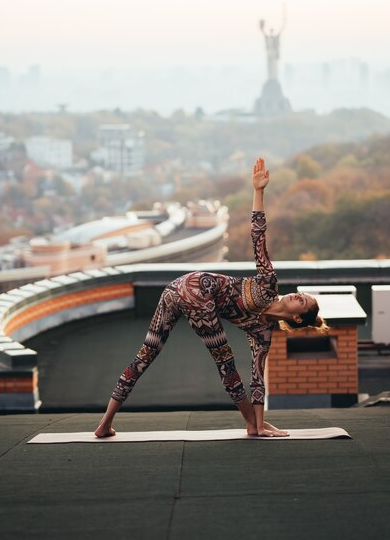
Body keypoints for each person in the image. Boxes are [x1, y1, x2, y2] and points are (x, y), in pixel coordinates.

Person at [95, 157, 326, 438]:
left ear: (297, 317)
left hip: (184, 292)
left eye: (300, 301)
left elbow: (258, 381)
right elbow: (258, 237)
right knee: (212, 359)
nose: (295, 296)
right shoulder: (268, 285)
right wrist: (258, 191)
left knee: (153, 354)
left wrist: (262, 419)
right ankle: (105, 423)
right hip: (189, 287)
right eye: (298, 295)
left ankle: (105, 425)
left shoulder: (262, 333)